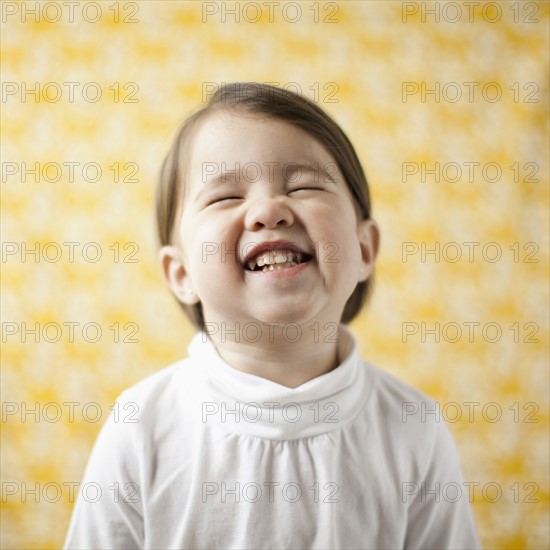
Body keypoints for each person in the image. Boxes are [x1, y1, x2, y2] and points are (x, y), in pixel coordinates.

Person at [64, 82, 480, 549]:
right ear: (181, 273)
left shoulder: (413, 426)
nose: (268, 210)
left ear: (364, 249)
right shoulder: (141, 426)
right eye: (224, 197)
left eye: (303, 186)